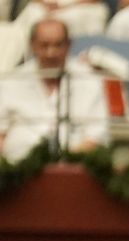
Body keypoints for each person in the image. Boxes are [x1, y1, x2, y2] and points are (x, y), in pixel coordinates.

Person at [0, 19, 108, 163]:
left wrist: (62, 162)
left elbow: (97, 138)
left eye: (58, 45)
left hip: (71, 168)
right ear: (32, 46)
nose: (51, 53)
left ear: (69, 45)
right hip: (18, 169)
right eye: (44, 46)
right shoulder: (11, 81)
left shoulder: (90, 81)